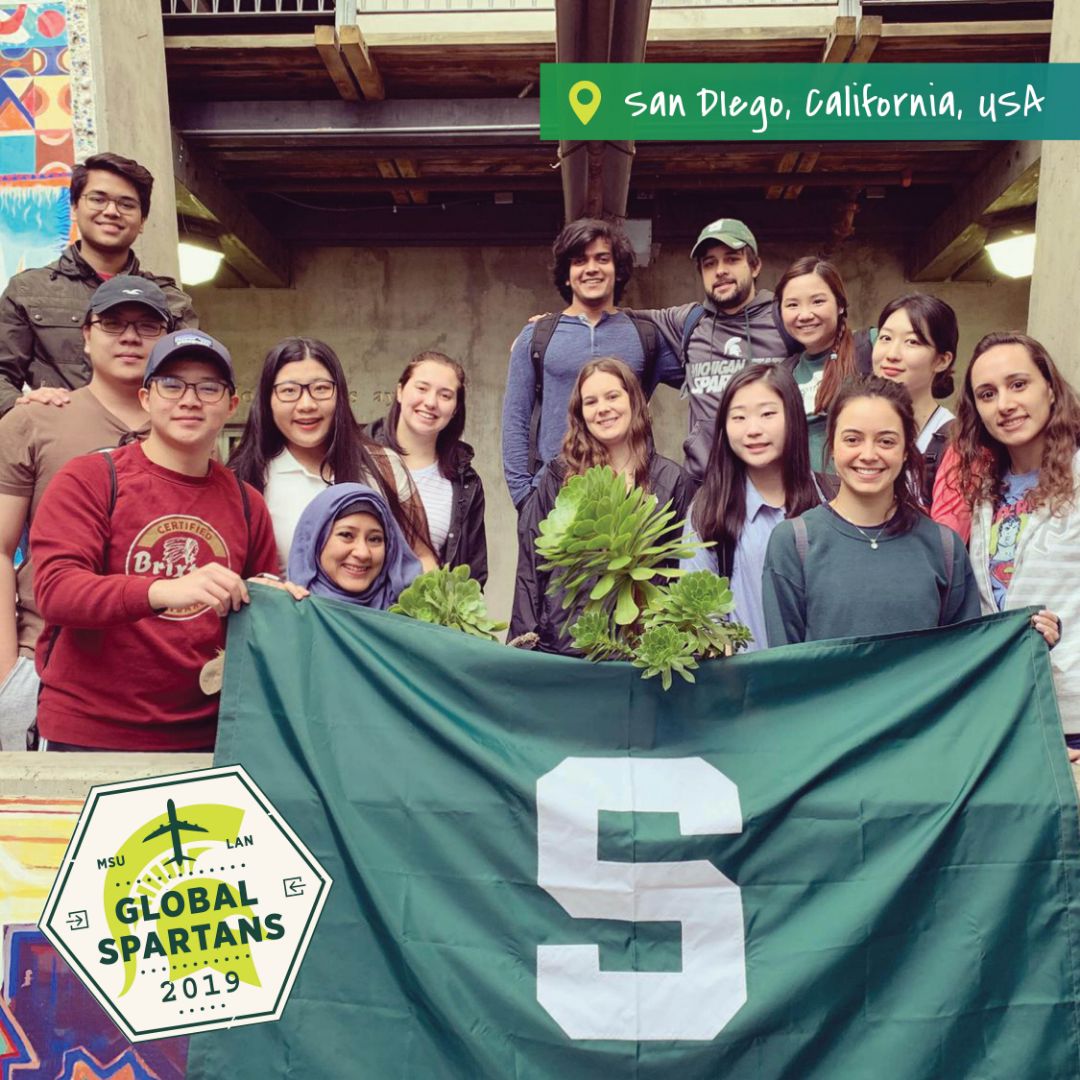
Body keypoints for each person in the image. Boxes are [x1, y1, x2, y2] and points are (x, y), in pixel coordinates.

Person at [29, 330, 283, 752]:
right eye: (171, 384)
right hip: (92, 733)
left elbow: (255, 608)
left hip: (207, 738)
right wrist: (165, 589)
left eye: (208, 387)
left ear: (231, 404)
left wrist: (278, 600)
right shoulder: (90, 479)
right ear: (146, 398)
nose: (189, 399)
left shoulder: (246, 502)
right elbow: (57, 591)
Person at [0, 277, 170, 751]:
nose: (130, 337)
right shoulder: (35, 419)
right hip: (47, 663)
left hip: (161, 680)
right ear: (86, 336)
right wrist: (8, 668)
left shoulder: (187, 427)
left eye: (147, 326)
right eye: (113, 323)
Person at [762, 375, 979, 646]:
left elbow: (965, 657)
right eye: (852, 439)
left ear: (905, 450)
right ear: (832, 444)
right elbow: (784, 667)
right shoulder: (794, 543)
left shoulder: (944, 547)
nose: (868, 454)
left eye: (886, 441)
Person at [510, 357, 692, 653]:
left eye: (612, 396)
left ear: (634, 400)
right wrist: (523, 643)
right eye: (590, 402)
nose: (602, 409)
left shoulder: (672, 480)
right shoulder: (559, 476)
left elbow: (682, 570)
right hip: (565, 644)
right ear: (580, 414)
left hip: (641, 650)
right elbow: (531, 562)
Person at [0, 152, 196, 415]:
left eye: (126, 204)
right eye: (98, 199)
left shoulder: (170, 300)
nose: (111, 211)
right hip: (59, 439)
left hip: (144, 443)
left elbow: (191, 376)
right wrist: (22, 406)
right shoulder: (28, 290)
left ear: (143, 221)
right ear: (73, 208)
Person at [953, 332, 1075, 755]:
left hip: (1073, 718)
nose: (1004, 404)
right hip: (1010, 715)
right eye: (987, 393)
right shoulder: (987, 491)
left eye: (1018, 384)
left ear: (1050, 387)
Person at [501, 217, 676, 508]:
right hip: (556, 498)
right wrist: (526, 496)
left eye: (602, 258)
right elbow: (515, 420)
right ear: (567, 275)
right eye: (580, 260)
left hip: (632, 497)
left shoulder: (644, 335)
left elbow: (701, 371)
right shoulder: (538, 336)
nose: (591, 268)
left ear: (617, 270)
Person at [228, 337, 436, 572]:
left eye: (321, 389)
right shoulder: (244, 478)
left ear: (340, 396)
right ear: (268, 400)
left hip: (375, 610)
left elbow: (423, 558)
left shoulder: (383, 465)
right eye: (289, 391)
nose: (306, 404)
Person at [627, 217, 798, 480]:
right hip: (707, 484)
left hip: (775, 480)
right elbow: (622, 316)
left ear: (755, 266)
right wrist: (555, 319)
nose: (720, 270)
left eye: (731, 259)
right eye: (710, 263)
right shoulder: (690, 322)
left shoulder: (782, 319)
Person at [679, 365, 821, 652]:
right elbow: (696, 616)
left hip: (823, 682)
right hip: (744, 685)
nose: (753, 430)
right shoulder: (708, 510)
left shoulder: (827, 497)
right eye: (739, 417)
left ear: (793, 417)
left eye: (768, 414)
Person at [366, 351, 487, 585]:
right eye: (422, 388)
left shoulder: (466, 482)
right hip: (356, 614)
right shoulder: (359, 455)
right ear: (400, 391)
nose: (431, 402)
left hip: (419, 618)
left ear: (455, 409)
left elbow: (473, 576)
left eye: (445, 395)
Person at [775, 256, 860, 470]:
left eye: (817, 301)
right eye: (792, 305)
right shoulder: (785, 372)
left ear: (840, 304)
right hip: (802, 497)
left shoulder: (870, 348)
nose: (804, 315)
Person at [871, 293, 958, 503]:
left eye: (912, 342)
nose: (891, 354)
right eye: (885, 338)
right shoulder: (858, 426)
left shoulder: (954, 441)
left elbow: (948, 533)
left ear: (942, 360)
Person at [287, 484, 422, 609]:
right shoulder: (289, 609)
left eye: (374, 539)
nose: (363, 553)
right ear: (316, 541)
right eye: (346, 535)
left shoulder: (412, 614)